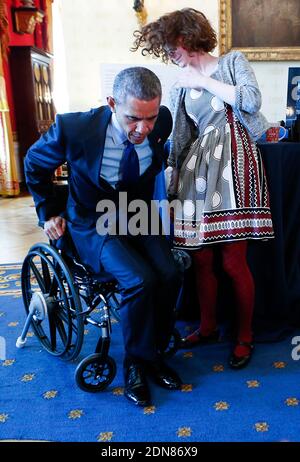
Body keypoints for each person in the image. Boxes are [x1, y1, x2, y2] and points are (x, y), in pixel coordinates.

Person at [24, 67, 182, 407]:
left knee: (171, 273)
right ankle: (137, 365)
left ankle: (155, 352)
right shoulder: (75, 128)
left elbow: (152, 160)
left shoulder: (161, 122)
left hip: (135, 214)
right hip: (92, 220)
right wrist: (49, 213)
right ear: (112, 103)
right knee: (139, 280)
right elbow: (34, 163)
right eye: (133, 119)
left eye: (150, 118)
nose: (143, 129)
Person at [132, 8, 274, 369]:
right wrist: (172, 169)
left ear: (187, 36)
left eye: (170, 45)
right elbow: (182, 134)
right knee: (200, 257)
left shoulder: (231, 62)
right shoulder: (180, 81)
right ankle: (208, 325)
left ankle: (244, 335)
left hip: (235, 162)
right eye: (164, 49)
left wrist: (204, 80)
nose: (169, 53)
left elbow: (252, 101)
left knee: (232, 259)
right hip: (198, 169)